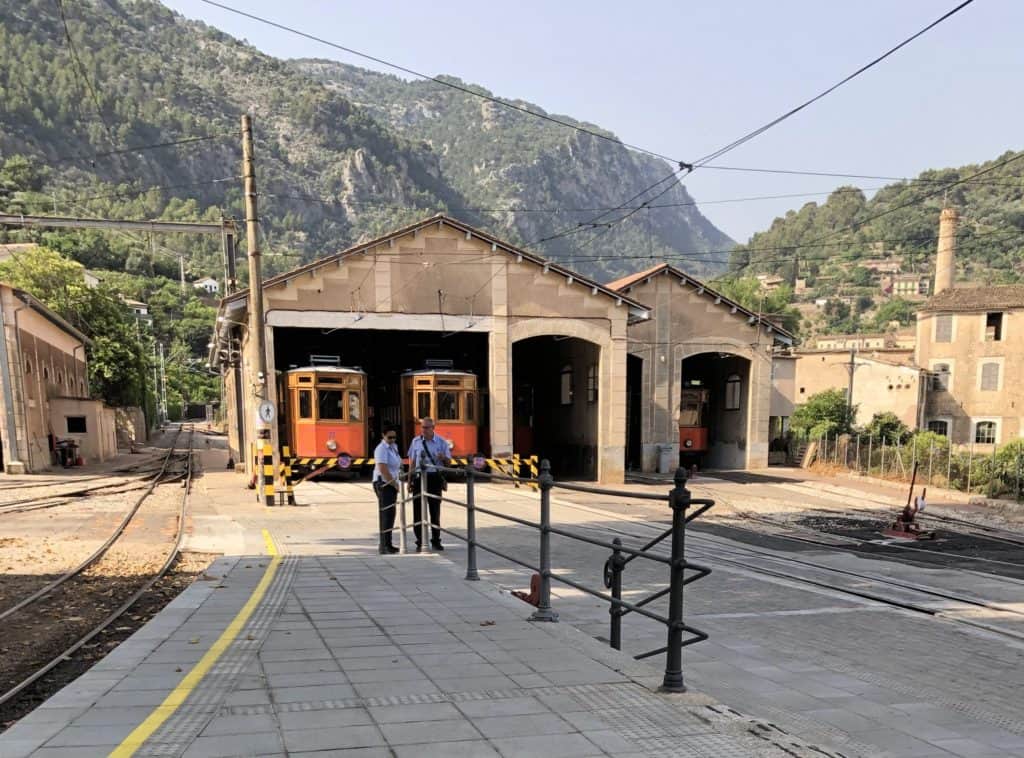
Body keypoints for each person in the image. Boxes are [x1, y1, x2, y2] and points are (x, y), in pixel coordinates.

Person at [407, 417, 451, 551]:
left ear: (433, 428)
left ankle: (436, 540)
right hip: (420, 478)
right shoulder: (416, 441)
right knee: (418, 511)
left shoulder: (441, 442)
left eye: (426, 428)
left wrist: (443, 458)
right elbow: (412, 463)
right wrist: (409, 480)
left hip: (434, 478)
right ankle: (420, 541)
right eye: (422, 427)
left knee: (434, 511)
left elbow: (449, 463)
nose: (424, 430)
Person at [372, 426, 402, 554]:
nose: (392, 440)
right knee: (386, 514)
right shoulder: (381, 449)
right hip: (384, 483)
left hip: (392, 482)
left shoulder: (394, 447)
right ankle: (383, 545)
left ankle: (388, 543)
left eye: (394, 437)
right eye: (389, 437)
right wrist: (393, 483)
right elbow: (383, 468)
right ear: (383, 436)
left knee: (391, 514)